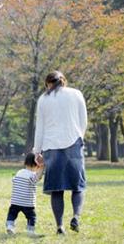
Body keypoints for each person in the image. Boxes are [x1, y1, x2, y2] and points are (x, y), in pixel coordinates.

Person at [33, 70, 87, 235]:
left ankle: (59, 226)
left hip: (51, 145)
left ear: (48, 84)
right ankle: (76, 217)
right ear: (63, 81)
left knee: (57, 189)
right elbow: (83, 120)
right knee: (78, 186)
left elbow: (40, 127)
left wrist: (37, 151)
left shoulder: (43, 99)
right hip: (73, 143)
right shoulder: (76, 94)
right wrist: (79, 138)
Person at [6, 152, 44, 237]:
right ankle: (30, 231)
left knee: (12, 214)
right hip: (27, 203)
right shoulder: (32, 175)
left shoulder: (19, 172)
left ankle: (10, 226)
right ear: (36, 165)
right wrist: (42, 168)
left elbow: (14, 180)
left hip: (15, 201)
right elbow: (36, 179)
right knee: (31, 217)